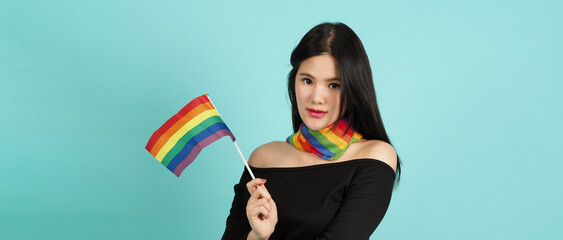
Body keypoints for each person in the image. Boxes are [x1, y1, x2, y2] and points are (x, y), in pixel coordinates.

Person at [222, 22, 402, 240]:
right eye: (307, 80)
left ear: (353, 89)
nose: (317, 97)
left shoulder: (375, 156)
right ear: (294, 82)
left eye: (334, 85)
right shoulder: (262, 158)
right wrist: (257, 237)